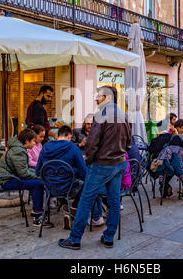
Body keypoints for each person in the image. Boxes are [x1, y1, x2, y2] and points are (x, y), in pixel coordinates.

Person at [59, 85, 131, 250]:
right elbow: (129, 143)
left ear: (107, 98)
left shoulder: (101, 115)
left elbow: (92, 143)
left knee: (86, 200)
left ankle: (75, 239)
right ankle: (109, 237)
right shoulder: (124, 116)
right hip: (118, 163)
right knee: (113, 201)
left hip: (103, 164)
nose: (96, 99)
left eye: (99, 96)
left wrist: (89, 160)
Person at [35, 125, 89, 229]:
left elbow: (38, 171)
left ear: (58, 135)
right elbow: (84, 172)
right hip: (69, 187)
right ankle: (72, 209)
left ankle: (67, 209)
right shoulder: (73, 148)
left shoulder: (45, 146)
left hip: (49, 188)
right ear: (69, 137)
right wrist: (74, 171)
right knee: (86, 184)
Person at [0, 129, 46, 226]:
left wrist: (38, 174)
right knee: (38, 184)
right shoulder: (18, 151)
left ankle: (37, 210)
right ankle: (37, 216)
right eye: (33, 141)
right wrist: (40, 177)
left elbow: (24, 170)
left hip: (10, 177)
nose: (35, 144)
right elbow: (24, 173)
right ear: (27, 141)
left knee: (36, 182)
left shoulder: (18, 148)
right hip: (5, 181)